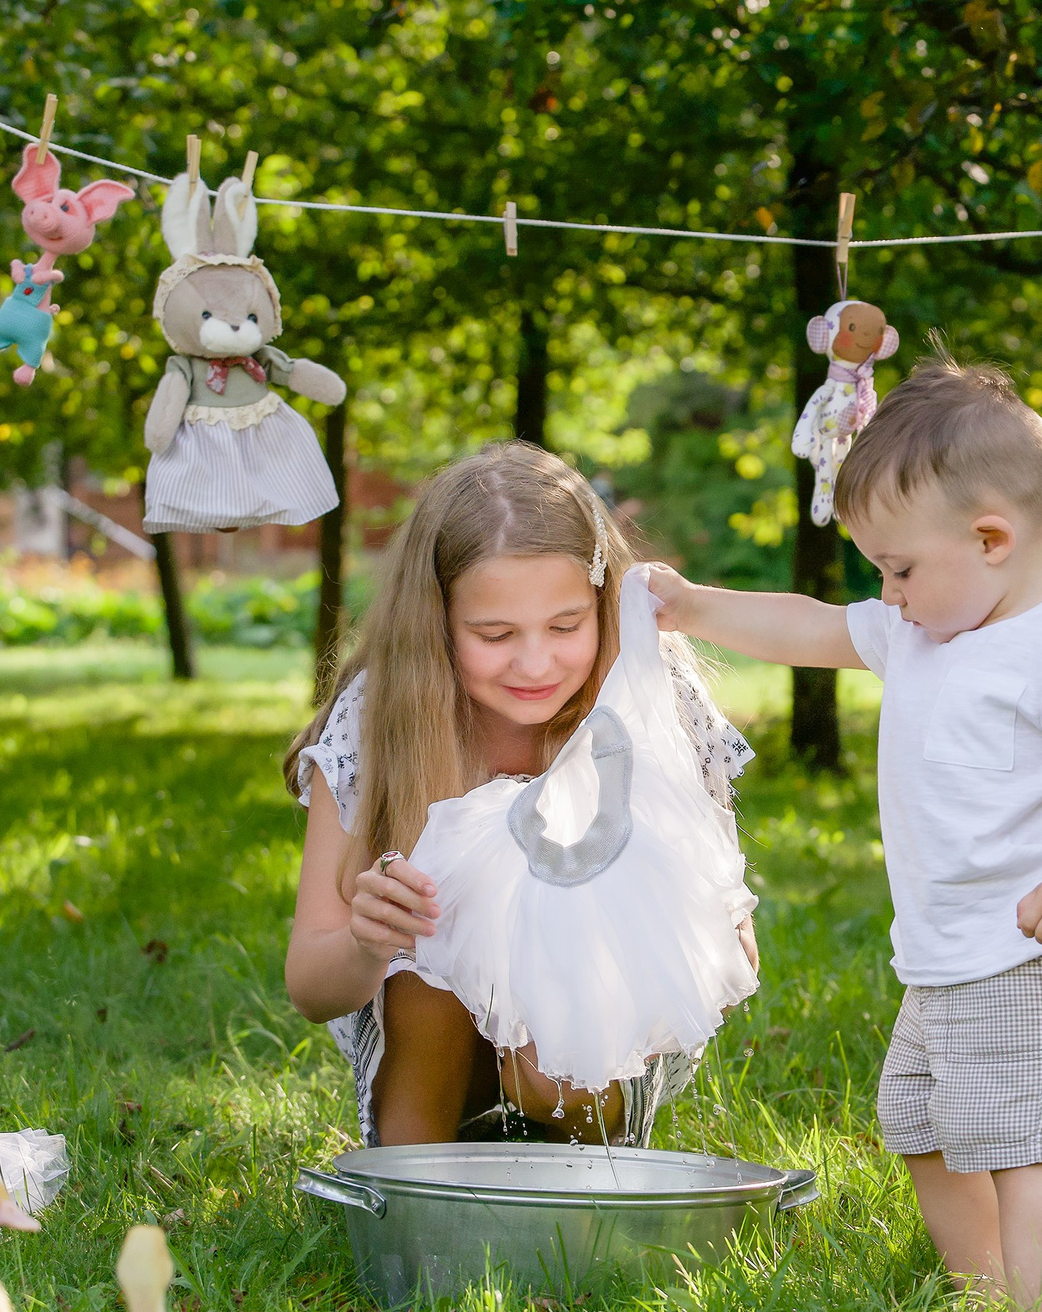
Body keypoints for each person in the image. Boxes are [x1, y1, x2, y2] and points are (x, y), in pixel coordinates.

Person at [649, 353, 1042, 1312]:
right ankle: (984, 1294)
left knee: (1019, 1149)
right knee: (922, 1128)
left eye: (899, 568)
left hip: (1027, 953)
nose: (887, 593)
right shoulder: (924, 628)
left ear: (991, 538)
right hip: (942, 958)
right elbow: (808, 628)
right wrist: (693, 607)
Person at [283, 441, 756, 1146]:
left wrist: (688, 931)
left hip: (605, 1031)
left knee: (553, 1027)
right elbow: (310, 985)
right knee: (426, 974)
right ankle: (415, 1192)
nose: (535, 664)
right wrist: (365, 942)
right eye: (495, 633)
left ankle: (585, 1185)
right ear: (435, 621)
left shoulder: (651, 695)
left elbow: (733, 942)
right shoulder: (377, 718)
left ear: (602, 602)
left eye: (566, 626)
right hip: (427, 1028)